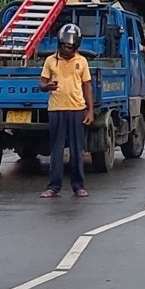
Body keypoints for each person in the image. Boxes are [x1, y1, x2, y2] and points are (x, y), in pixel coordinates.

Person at [39, 24, 94, 198]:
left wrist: (89, 110)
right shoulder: (50, 61)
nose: (66, 49)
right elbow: (41, 84)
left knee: (77, 150)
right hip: (56, 110)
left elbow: (87, 86)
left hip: (76, 110)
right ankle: (53, 187)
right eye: (63, 45)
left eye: (70, 47)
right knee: (56, 150)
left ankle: (78, 186)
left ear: (76, 46)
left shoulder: (82, 61)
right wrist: (46, 86)